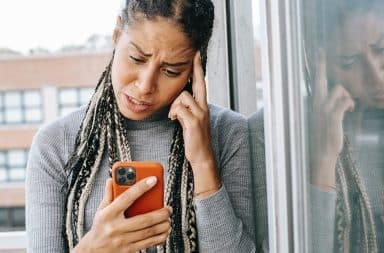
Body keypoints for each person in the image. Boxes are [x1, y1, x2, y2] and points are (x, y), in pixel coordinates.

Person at [25, 1, 256, 252]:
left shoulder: (230, 133)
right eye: (136, 58)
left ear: (195, 66)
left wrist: (203, 163)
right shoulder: (56, 144)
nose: (146, 85)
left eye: (170, 71)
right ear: (116, 34)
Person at [305, 0, 384, 252]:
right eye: (349, 62)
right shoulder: (281, 134)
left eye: (381, 49)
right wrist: (323, 159)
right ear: (318, 65)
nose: (376, 76)